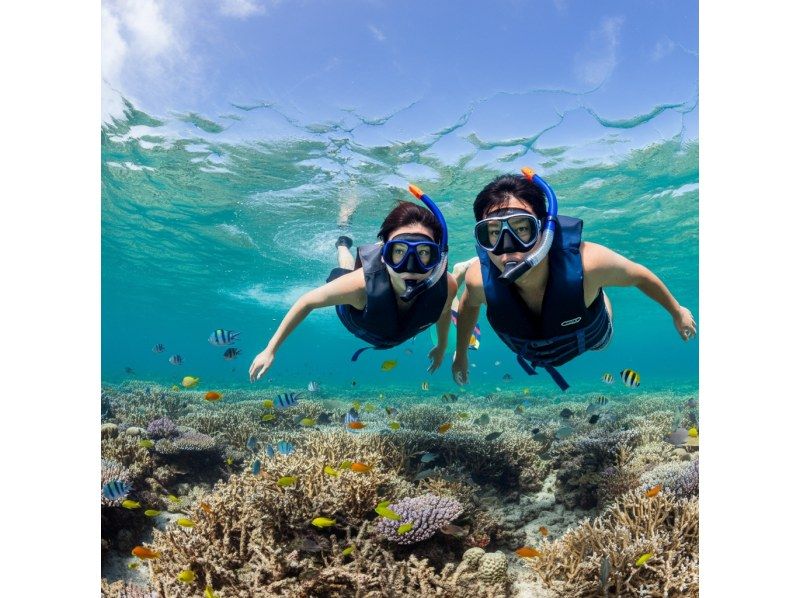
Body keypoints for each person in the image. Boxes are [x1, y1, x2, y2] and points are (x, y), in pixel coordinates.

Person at [451, 167, 696, 391]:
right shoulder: (478, 281)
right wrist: (460, 353)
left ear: (545, 230)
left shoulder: (590, 263)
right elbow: (468, 304)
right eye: (493, 232)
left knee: (603, 340)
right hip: (531, 347)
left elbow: (639, 275)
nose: (508, 247)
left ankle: (598, 291)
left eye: (522, 228)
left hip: (591, 331)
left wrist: (677, 311)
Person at [249, 186, 458, 382]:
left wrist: (441, 346)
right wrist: (270, 349)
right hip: (354, 314)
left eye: (423, 253)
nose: (410, 267)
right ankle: (342, 244)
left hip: (383, 324)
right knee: (346, 270)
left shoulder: (446, 286)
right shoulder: (359, 287)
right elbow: (306, 302)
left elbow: (444, 311)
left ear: (437, 258)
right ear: (385, 256)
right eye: (399, 252)